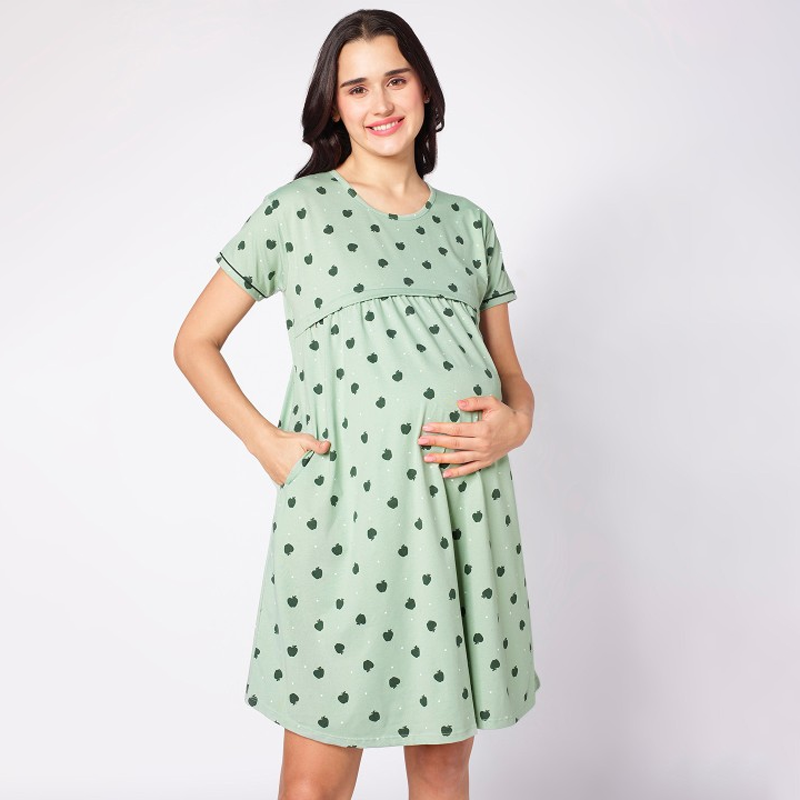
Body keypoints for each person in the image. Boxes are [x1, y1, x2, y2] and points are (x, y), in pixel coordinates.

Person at [174, 9, 541, 799]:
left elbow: (514, 380)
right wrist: (265, 443)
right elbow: (194, 342)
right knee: (314, 784)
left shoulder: (469, 224)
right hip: (343, 514)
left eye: (396, 79)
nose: (381, 102)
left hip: (460, 509)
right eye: (357, 87)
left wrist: (512, 426)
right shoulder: (295, 211)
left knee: (443, 767)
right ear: (333, 106)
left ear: (424, 90)